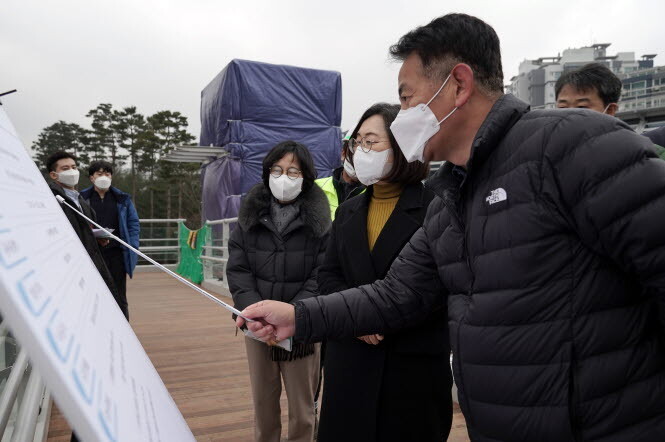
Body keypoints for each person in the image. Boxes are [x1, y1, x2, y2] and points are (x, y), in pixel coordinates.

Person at [237, 13, 665, 441]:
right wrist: (298, 317)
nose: (401, 115)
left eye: (406, 98)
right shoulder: (451, 199)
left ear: (458, 85)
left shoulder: (574, 147)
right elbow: (397, 294)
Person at [316, 102, 451, 442]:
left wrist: (380, 315)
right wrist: (358, 318)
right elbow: (328, 274)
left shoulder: (436, 205)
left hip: (410, 362)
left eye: (371, 141)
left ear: (402, 146)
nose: (361, 151)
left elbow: (442, 283)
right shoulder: (347, 210)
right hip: (350, 356)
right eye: (357, 142)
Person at [227, 140, 331, 442]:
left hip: (303, 328)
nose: (283, 177)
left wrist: (296, 315)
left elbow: (322, 274)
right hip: (257, 328)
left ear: (306, 177)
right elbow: (238, 270)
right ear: (267, 172)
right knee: (263, 404)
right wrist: (256, 314)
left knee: (302, 409)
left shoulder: (321, 222)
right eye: (277, 169)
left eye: (293, 171)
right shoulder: (249, 218)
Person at [555, 63, 665, 158]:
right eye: (562, 108)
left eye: (582, 107)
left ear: (610, 110)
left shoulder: (648, 156)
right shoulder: (544, 155)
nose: (569, 115)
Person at [80, 161, 139, 320]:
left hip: (117, 253)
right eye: (99, 174)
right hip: (93, 254)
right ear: (92, 178)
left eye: (107, 174)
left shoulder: (122, 198)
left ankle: (124, 329)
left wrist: (132, 246)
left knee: (119, 294)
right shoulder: (82, 198)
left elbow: (133, 223)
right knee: (95, 294)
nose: (104, 177)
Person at [315, 136, 365, 219]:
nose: (358, 163)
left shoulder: (373, 195)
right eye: (355, 155)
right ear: (343, 154)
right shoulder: (316, 188)